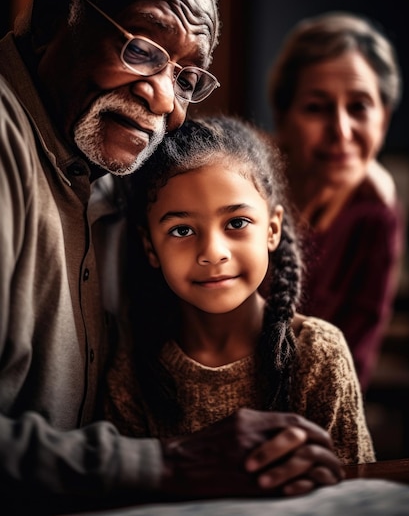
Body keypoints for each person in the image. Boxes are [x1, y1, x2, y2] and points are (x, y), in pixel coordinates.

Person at [0, 0, 344, 515]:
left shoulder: (111, 170)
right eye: (141, 48)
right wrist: (170, 463)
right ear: (58, 17)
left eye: (187, 77)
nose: (169, 103)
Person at [104, 115, 375, 466]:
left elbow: (356, 494)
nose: (213, 252)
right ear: (150, 246)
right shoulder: (134, 368)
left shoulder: (318, 355)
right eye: (183, 230)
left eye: (236, 223)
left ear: (272, 229)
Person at [267, 11, 404, 392]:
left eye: (359, 106)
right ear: (282, 117)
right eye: (316, 107)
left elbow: (353, 364)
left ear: (384, 118)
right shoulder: (241, 191)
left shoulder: (376, 214)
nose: (341, 131)